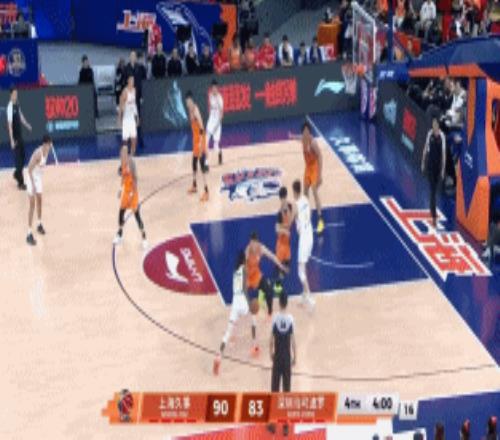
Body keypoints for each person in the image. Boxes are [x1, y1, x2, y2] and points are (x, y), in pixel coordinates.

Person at [213, 251, 259, 376]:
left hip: (235, 302)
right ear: (244, 260)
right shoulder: (244, 269)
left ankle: (218, 357)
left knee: (227, 332)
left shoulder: (235, 272)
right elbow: (244, 289)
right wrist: (249, 302)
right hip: (242, 299)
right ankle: (255, 346)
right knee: (253, 319)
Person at [267, 293, 295, 437]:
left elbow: (271, 339)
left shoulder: (275, 319)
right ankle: (285, 426)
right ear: (287, 303)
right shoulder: (290, 319)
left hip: (277, 358)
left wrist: (270, 353)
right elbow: (293, 340)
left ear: (279, 303)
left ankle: (272, 424)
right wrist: (295, 357)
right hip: (286, 358)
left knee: (275, 391)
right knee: (286, 392)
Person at [290, 122, 325, 233]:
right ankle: (306, 216)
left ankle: (320, 219)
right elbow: (298, 137)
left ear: (310, 132)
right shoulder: (303, 139)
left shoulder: (313, 142)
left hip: (314, 167)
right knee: (305, 193)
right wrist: (292, 136)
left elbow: (320, 156)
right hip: (308, 168)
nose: (305, 133)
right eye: (304, 132)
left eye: (307, 131)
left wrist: (319, 175)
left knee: (314, 190)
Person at [246, 232, 288, 318]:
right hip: (247, 276)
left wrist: (281, 266)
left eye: (255, 243)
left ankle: (270, 312)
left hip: (256, 275)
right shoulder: (247, 251)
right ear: (250, 242)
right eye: (252, 243)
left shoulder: (261, 249)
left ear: (257, 242)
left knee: (269, 291)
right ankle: (247, 308)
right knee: (241, 295)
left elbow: (272, 257)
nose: (253, 245)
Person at [113, 145, 147, 248]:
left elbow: (136, 178)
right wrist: (120, 189)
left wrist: (133, 192)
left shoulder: (131, 162)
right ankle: (119, 235)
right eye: (120, 153)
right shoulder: (122, 162)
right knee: (121, 214)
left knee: (137, 216)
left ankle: (144, 238)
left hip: (133, 192)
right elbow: (123, 177)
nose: (121, 155)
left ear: (126, 153)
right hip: (126, 192)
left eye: (123, 153)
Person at [292, 180, 315, 309]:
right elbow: (310, 214)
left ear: (294, 191)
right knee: (304, 267)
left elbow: (290, 221)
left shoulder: (295, 205)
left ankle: (310, 297)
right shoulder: (306, 199)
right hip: (310, 233)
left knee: (300, 272)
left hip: (304, 238)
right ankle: (304, 296)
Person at [26, 135, 53, 246]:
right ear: (45, 144)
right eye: (49, 144)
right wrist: (33, 185)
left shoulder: (47, 152)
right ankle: (28, 233)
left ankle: (39, 224)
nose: (50, 146)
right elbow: (29, 169)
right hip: (31, 178)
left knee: (40, 201)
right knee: (32, 205)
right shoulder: (38, 153)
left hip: (38, 179)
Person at [421, 118, 446, 228]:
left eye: (435, 124)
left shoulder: (442, 136)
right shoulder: (429, 134)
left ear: (438, 126)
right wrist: (423, 162)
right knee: (432, 191)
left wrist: (443, 169)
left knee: (434, 190)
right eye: (433, 124)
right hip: (430, 165)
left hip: (437, 166)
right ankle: (434, 216)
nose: (434, 126)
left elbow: (444, 153)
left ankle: (432, 208)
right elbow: (425, 148)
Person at [185, 91, 209, 202]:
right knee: (194, 163)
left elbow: (202, 126)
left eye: (189, 101)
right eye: (186, 102)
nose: (188, 104)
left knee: (201, 164)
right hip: (195, 140)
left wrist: (201, 143)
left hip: (200, 139)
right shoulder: (189, 111)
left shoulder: (195, 110)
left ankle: (206, 191)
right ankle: (194, 186)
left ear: (192, 100)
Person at [7, 86, 32, 190]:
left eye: (16, 94)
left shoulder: (17, 105)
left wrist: (27, 125)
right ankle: (20, 183)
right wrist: (12, 140)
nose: (16, 95)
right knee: (19, 161)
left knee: (23, 157)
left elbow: (21, 117)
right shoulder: (9, 107)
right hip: (15, 138)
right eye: (14, 94)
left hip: (20, 136)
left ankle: (16, 173)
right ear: (11, 95)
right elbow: (9, 125)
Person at [274, 186, 292, 295]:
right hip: (281, 245)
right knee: (280, 269)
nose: (284, 200)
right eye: (283, 199)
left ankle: (278, 282)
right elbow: (276, 229)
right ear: (281, 199)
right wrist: (284, 230)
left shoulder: (290, 207)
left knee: (287, 267)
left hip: (287, 245)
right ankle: (276, 286)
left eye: (285, 198)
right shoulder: (279, 214)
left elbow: (290, 221)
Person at [118, 75, 139, 156]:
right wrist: (119, 119)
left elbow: (134, 105)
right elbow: (120, 106)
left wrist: (137, 117)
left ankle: (132, 154)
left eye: (133, 81)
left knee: (134, 138)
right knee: (125, 139)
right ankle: (123, 155)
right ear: (128, 81)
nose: (133, 82)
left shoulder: (134, 90)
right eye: (131, 80)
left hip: (132, 118)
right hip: (126, 119)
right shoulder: (125, 91)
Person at [206, 79, 224, 166]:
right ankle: (206, 162)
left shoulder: (220, 98)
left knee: (215, 146)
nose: (214, 90)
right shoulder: (210, 95)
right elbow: (210, 107)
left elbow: (221, 114)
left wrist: (217, 125)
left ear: (217, 88)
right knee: (206, 141)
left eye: (215, 88)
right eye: (212, 88)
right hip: (211, 121)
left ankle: (220, 153)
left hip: (217, 123)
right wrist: (210, 116)